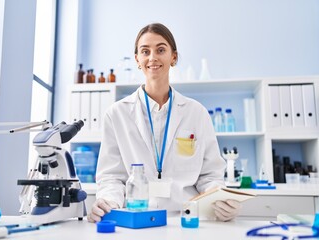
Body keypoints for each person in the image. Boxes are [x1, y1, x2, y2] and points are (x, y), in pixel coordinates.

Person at [87, 23, 241, 223]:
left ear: (173, 57)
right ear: (137, 59)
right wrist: (108, 202)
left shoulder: (197, 113)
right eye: (145, 51)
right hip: (137, 219)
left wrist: (220, 200)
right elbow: (111, 177)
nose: (152, 57)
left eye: (161, 50)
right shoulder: (117, 114)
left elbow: (210, 174)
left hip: (188, 220)